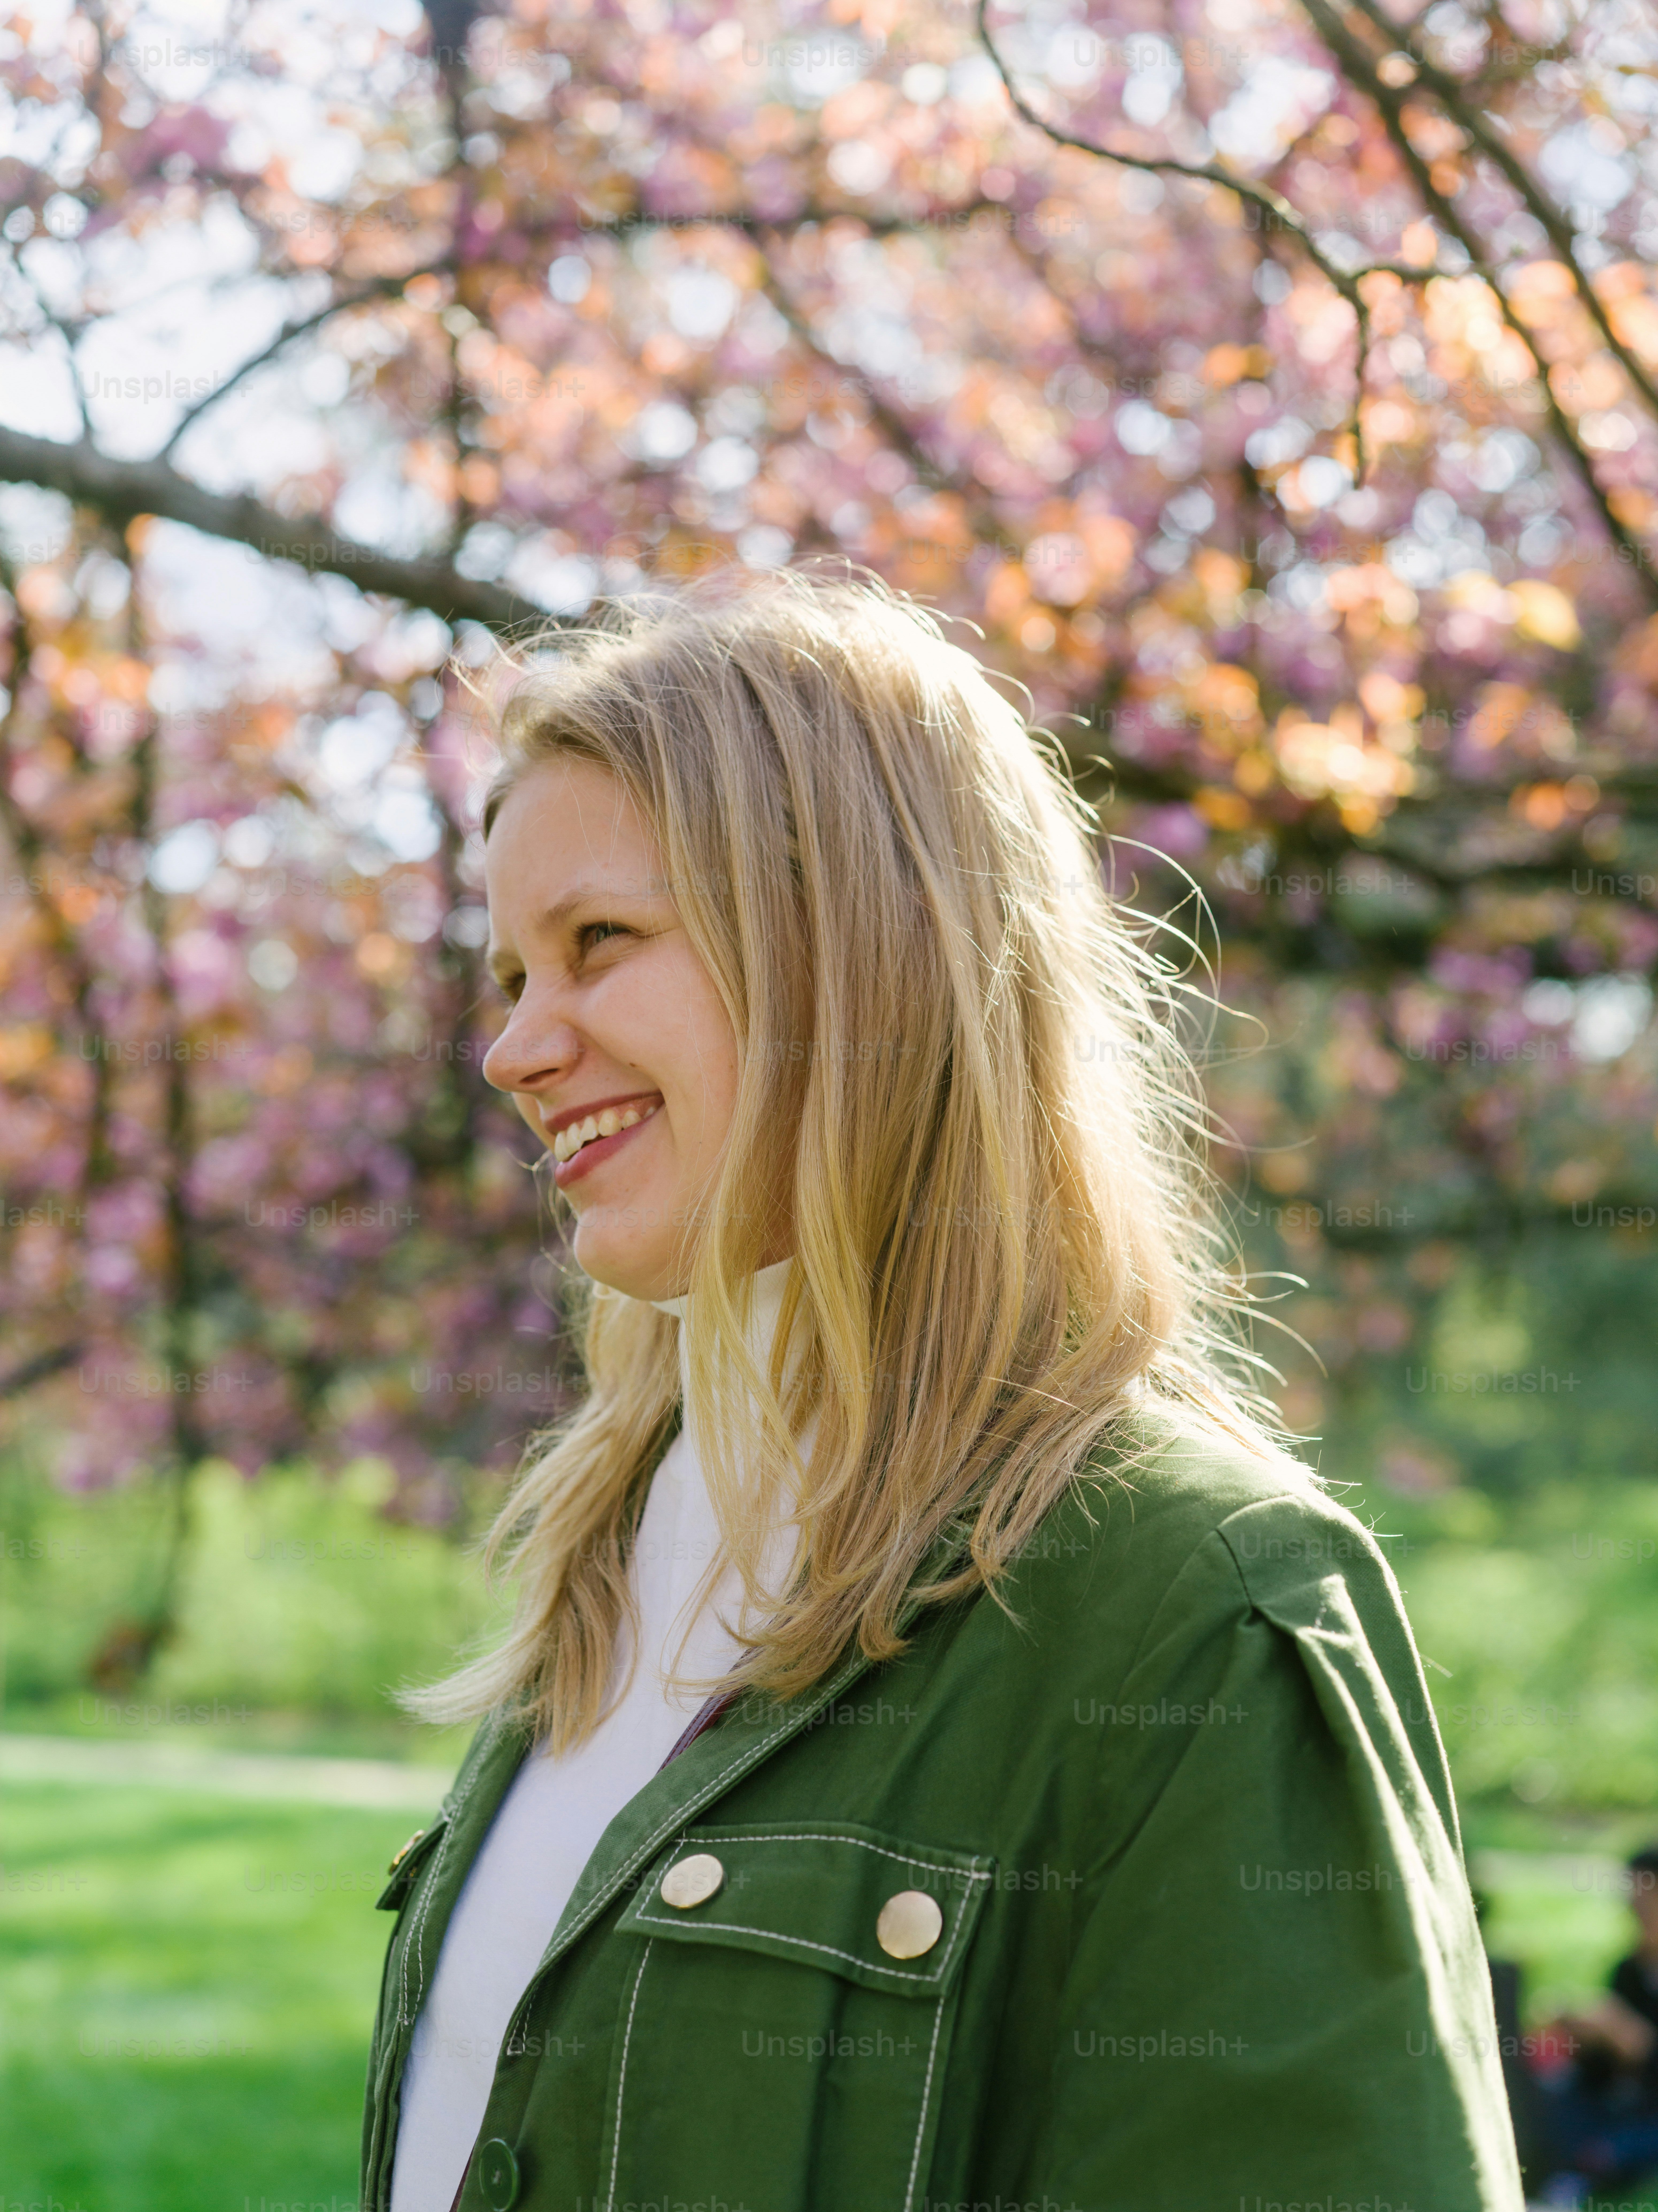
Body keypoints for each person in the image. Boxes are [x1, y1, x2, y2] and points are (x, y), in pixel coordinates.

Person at [361, 566, 1524, 2212]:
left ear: (854, 949)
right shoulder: (617, 1549)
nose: (515, 1047)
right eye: (506, 977)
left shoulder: (1201, 1606)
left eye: (597, 942)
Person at [1534, 1844, 1658, 2199]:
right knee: (1558, 2089)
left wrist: (1639, 2044)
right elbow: (1610, 2070)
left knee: (1629, 2140)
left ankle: (1587, 2170)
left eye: (1647, 1907)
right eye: (1633, 1906)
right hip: (1625, 2100)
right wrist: (1587, 2037)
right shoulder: (1629, 1971)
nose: (1637, 1917)